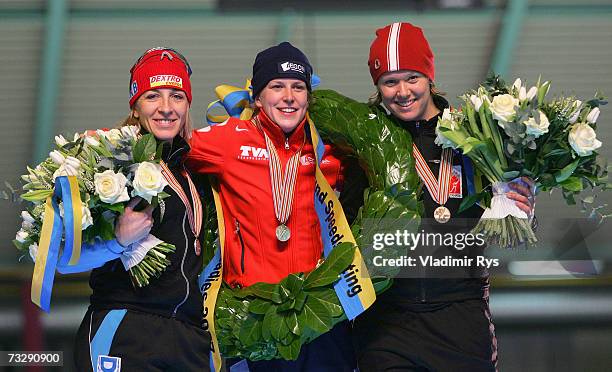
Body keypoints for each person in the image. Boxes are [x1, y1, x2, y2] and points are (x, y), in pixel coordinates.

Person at [352, 22, 535, 372]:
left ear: (429, 78)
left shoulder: (477, 135)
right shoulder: (366, 145)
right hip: (388, 324)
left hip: (461, 316)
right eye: (390, 81)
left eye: (412, 78)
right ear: (378, 88)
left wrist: (522, 207)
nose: (402, 91)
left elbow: (511, 224)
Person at [187, 41, 362, 371]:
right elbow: (169, 144)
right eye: (276, 86)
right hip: (255, 317)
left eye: (298, 87)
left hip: (322, 319)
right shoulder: (229, 140)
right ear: (256, 96)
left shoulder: (329, 151)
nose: (288, 96)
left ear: (309, 97)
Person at [58, 47, 211, 371]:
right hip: (126, 328)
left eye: (177, 97)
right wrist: (117, 240)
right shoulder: (110, 161)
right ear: (136, 106)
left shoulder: (195, 174)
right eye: (153, 96)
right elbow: (63, 261)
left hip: (189, 338)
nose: (166, 108)